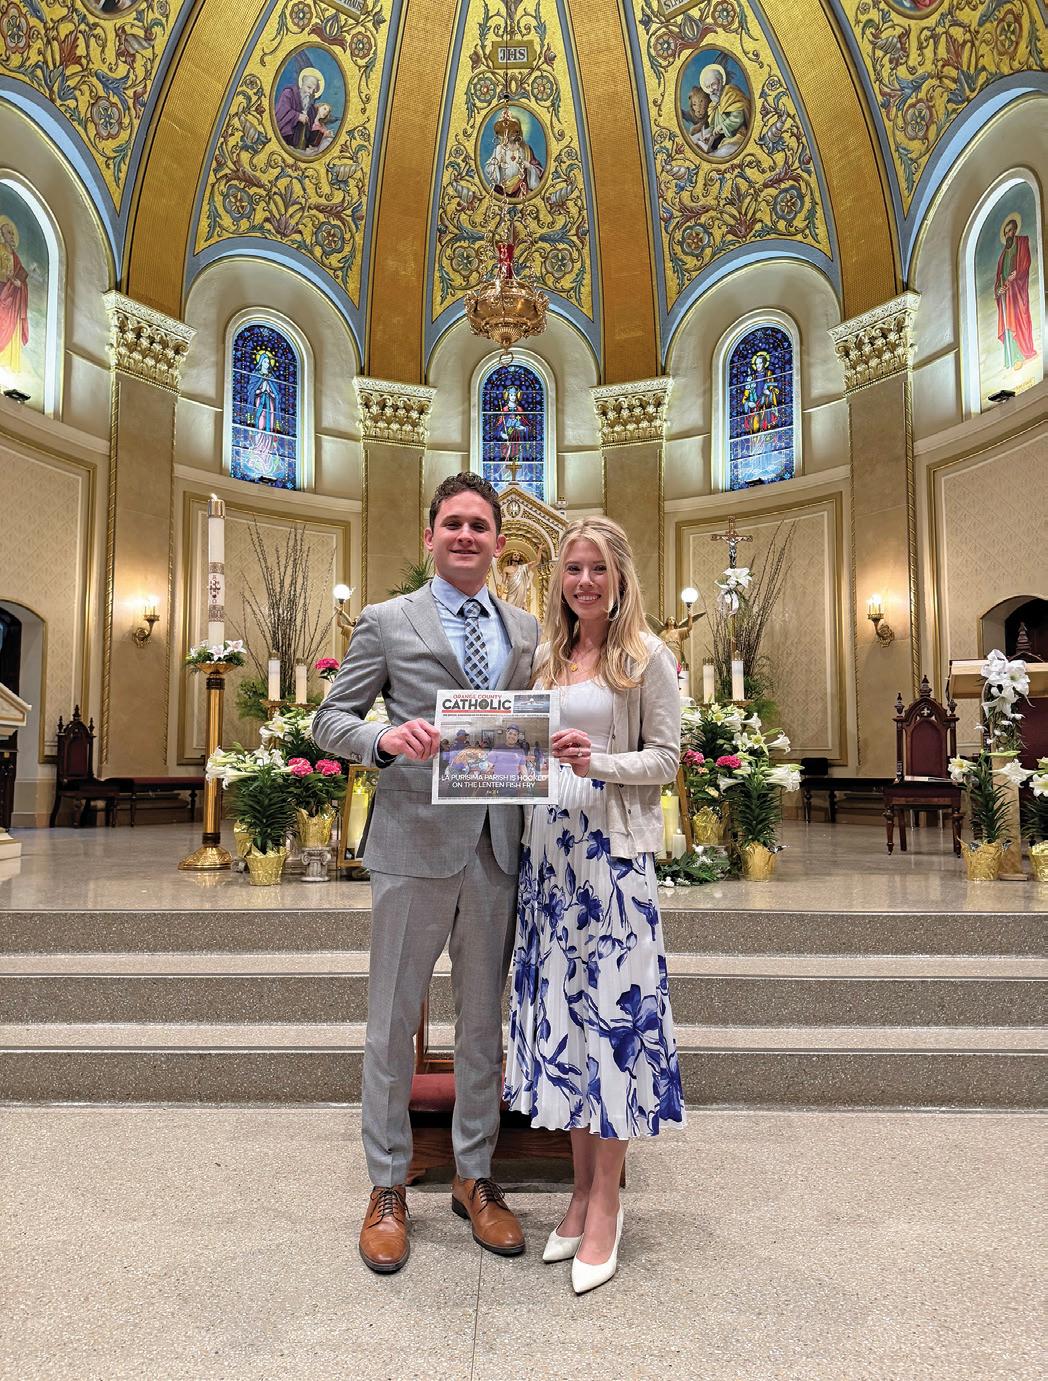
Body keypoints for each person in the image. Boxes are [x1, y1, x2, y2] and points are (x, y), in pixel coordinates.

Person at [313, 473, 540, 1275]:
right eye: (453, 523)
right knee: (391, 1020)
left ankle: (475, 1176)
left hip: (496, 843)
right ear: (430, 536)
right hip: (412, 841)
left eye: (479, 524)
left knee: (482, 1024)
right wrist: (382, 740)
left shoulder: (526, 628)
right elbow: (329, 718)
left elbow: (531, 727)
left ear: (499, 542)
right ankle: (387, 1185)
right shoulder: (386, 620)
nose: (466, 535)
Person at [503, 516, 685, 1295]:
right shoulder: (545, 658)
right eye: (574, 568)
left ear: (619, 577)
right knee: (570, 1024)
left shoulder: (646, 657)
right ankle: (577, 1191)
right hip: (549, 859)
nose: (584, 580)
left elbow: (668, 759)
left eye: (598, 568)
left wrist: (599, 760)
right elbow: (512, 749)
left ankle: (608, 1199)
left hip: (609, 859)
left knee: (612, 1024)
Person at [993, 215, 1037, 372]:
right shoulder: (1002, 256)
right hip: (1006, 296)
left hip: (1018, 291)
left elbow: (1026, 263)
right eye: (1006, 233)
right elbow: (998, 278)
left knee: (1019, 320)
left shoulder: (1022, 242)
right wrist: (999, 289)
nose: (1008, 235)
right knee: (1007, 324)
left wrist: (1017, 273)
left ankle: (1023, 353)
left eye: (1010, 231)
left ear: (1015, 230)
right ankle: (1013, 358)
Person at [274, 66, 324, 153]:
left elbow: (308, 133)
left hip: (300, 147)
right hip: (285, 140)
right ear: (302, 84)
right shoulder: (289, 94)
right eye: (309, 87)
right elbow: (279, 114)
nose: (310, 92)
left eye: (314, 90)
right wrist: (297, 116)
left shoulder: (312, 109)